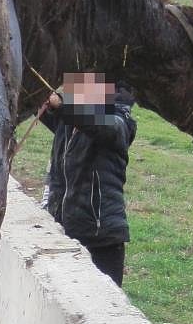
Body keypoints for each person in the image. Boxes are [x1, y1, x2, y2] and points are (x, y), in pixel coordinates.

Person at [42, 70, 136, 287]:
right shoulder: (66, 122)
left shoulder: (119, 123)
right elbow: (40, 101)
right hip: (63, 233)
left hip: (101, 239)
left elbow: (96, 124)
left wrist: (63, 106)